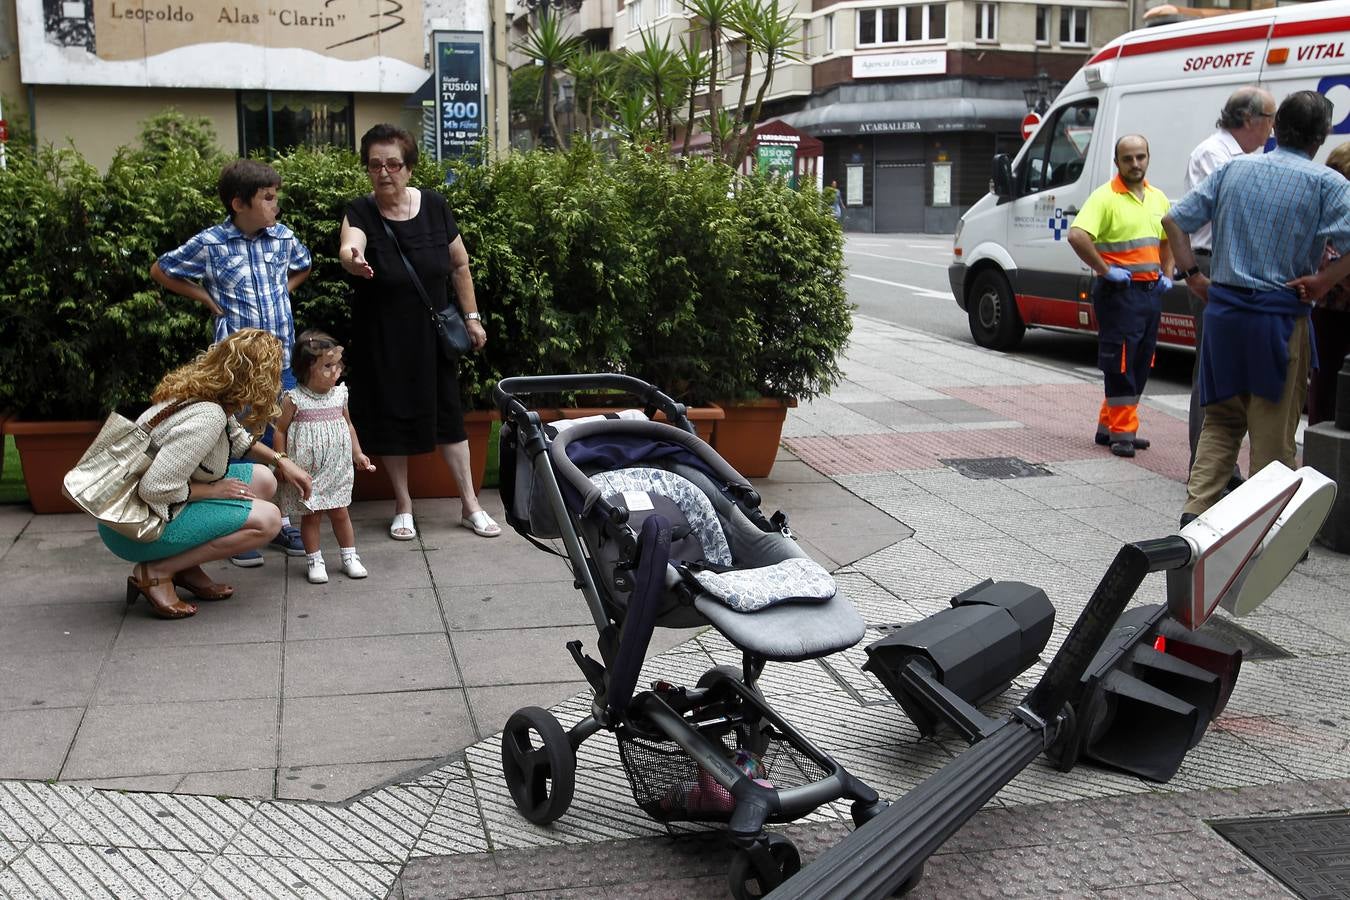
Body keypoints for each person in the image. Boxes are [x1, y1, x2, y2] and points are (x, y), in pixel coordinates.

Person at [1163, 91, 1350, 524]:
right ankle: (1264, 532)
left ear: (1277, 125)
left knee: (1221, 423)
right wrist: (1324, 281)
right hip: (1278, 321)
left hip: (1224, 317)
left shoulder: (1233, 168)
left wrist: (1194, 276)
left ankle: (1196, 514)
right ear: (1320, 137)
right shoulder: (1326, 183)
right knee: (1273, 436)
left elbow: (1174, 220)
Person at [336, 123, 500, 542]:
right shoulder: (360, 210)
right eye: (375, 165)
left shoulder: (436, 206)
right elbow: (349, 243)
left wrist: (473, 316)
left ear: (409, 168)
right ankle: (403, 506)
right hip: (383, 337)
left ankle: (470, 505)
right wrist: (352, 258)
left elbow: (459, 265)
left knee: (449, 417)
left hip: (431, 335)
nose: (384, 172)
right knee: (392, 419)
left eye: (393, 163)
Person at [150, 158, 313, 567]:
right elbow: (162, 269)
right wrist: (205, 298)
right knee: (236, 440)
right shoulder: (211, 244)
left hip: (281, 360)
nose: (276, 206)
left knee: (279, 438)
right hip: (237, 367)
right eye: (269, 198)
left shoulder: (281, 237)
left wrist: (282, 290)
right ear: (239, 203)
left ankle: (281, 521)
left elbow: (303, 265)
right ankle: (241, 526)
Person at [101, 330, 313, 619]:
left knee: (265, 479)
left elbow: (237, 438)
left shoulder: (205, 393)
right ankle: (156, 571)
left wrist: (281, 461)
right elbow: (153, 489)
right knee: (268, 520)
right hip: (132, 526)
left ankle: (185, 566)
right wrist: (213, 491)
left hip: (138, 507)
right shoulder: (207, 417)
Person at [1182, 87, 1276, 483]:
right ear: (1250, 120)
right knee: (1211, 368)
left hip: (1235, 267)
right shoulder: (1213, 154)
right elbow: (1231, 215)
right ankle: (1207, 466)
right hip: (1214, 265)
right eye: (1270, 119)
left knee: (1230, 368)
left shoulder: (1246, 157)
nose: (1273, 130)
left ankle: (1220, 465)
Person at [1067, 134, 1174, 458]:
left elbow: (1168, 238)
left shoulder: (1158, 198)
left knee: (1140, 361)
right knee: (1122, 363)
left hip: (1149, 293)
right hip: (1119, 293)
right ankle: (1123, 433)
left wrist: (1167, 274)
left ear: (1148, 157)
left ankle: (1108, 426)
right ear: (1117, 163)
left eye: (1140, 157)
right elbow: (1077, 235)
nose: (1135, 164)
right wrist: (1104, 269)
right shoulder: (1106, 197)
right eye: (1128, 159)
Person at [274, 330, 377, 584]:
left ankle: (349, 556)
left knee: (341, 512)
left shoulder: (340, 395)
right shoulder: (294, 399)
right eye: (327, 366)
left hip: (337, 467)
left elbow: (349, 425)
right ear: (307, 368)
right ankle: (314, 559)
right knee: (312, 516)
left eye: (337, 365)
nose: (336, 371)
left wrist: (358, 452)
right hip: (309, 470)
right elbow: (280, 429)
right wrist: (282, 461)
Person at [1308, 142, 1350, 426]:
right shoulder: (1326, 204)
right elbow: (1321, 254)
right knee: (1325, 385)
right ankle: (1321, 456)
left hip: (1335, 307)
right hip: (1331, 311)